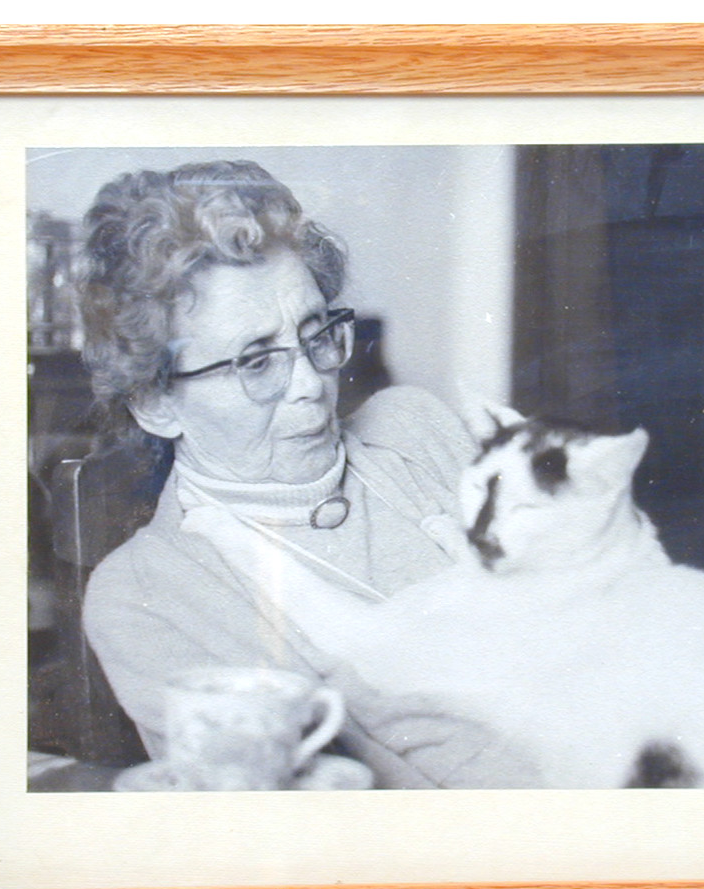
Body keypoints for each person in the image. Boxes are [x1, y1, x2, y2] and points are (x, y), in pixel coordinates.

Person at [79, 160, 537, 788]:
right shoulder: (143, 594)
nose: (312, 386)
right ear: (157, 402)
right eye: (256, 361)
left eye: (317, 333)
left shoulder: (415, 428)